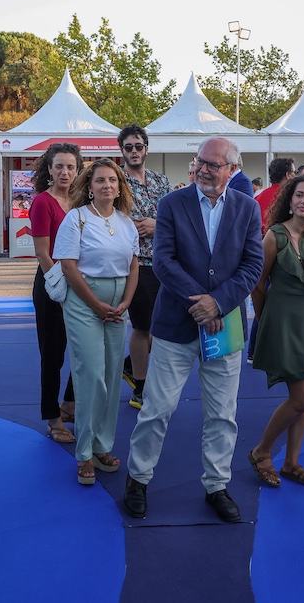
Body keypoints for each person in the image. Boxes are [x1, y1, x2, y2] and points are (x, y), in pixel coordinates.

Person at [124, 137, 263, 522]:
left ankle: (217, 485)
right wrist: (201, 302)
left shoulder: (248, 209)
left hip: (224, 327)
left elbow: (252, 266)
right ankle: (138, 478)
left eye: (213, 164)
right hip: (174, 328)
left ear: (231, 170)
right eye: (200, 161)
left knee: (222, 414)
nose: (203, 169)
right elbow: (164, 262)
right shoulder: (172, 203)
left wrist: (219, 303)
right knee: (156, 410)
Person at [247, 172, 304, 488]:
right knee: (303, 399)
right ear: (290, 199)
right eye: (299, 195)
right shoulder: (274, 236)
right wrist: (266, 316)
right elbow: (258, 283)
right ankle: (261, 451)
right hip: (282, 323)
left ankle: (292, 463)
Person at [56, 159, 139, 486]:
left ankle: (103, 445)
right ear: (89, 187)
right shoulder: (75, 219)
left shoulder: (126, 222)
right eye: (100, 180)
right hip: (84, 302)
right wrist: (97, 305)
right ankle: (85, 452)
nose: (107, 185)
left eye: (112, 181)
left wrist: (126, 303)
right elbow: (68, 267)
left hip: (118, 304)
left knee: (109, 374)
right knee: (90, 375)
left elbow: (134, 266)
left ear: (120, 187)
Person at [117, 124, 171, 410]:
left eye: (138, 146)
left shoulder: (161, 181)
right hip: (134, 264)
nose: (134, 151)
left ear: (146, 149)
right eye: (128, 147)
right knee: (142, 326)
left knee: (161, 328)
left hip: (165, 262)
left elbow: (173, 220)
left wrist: (156, 225)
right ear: (121, 150)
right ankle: (140, 387)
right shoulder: (116, 181)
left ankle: (130, 365)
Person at [29, 144, 79, 444]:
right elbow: (42, 253)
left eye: (70, 167)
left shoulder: (81, 201)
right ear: (49, 169)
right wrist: (60, 286)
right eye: (59, 166)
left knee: (85, 349)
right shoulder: (42, 203)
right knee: (53, 355)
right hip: (53, 286)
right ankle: (53, 417)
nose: (64, 172)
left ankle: (70, 403)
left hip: (80, 284)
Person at [247, 156, 296, 363]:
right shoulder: (288, 197)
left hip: (257, 253)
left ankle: (254, 349)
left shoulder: (258, 197)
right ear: (287, 174)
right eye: (293, 173)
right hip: (281, 257)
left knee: (262, 298)